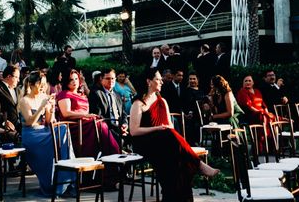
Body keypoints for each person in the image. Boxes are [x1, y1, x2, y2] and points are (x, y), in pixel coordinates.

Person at [130, 68, 219, 201]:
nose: (161, 82)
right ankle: (198, 165)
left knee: (177, 163)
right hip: (144, 141)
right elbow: (134, 131)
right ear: (149, 81)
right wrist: (157, 128)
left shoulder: (162, 101)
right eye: (158, 79)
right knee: (168, 138)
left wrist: (162, 129)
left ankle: (177, 196)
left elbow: (169, 126)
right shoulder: (138, 104)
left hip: (163, 140)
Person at [18, 71, 72, 196]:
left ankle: (65, 179)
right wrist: (42, 107)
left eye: (44, 84)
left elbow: (48, 121)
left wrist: (51, 109)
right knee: (61, 132)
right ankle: (58, 181)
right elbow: (30, 122)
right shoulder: (25, 101)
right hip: (31, 135)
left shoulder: (44, 97)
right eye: (39, 84)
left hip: (44, 131)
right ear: (31, 84)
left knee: (63, 128)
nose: (43, 87)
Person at [56, 69, 120, 158]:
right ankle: (113, 154)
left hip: (85, 123)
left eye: (76, 79)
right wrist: (86, 115)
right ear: (66, 81)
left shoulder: (82, 95)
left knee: (100, 123)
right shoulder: (64, 94)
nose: (74, 82)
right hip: (74, 126)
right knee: (100, 125)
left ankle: (111, 156)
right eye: (71, 79)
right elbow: (66, 113)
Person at [88, 68, 128, 147]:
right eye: (107, 78)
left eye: (113, 78)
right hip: (107, 129)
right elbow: (98, 116)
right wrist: (118, 128)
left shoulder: (117, 95)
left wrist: (124, 124)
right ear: (101, 79)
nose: (111, 81)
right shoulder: (96, 94)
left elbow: (124, 114)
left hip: (120, 129)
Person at [0, 65, 21, 136]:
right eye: (16, 77)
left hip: (19, 126)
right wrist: (4, 122)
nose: (18, 80)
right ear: (9, 76)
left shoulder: (17, 89)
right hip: (4, 128)